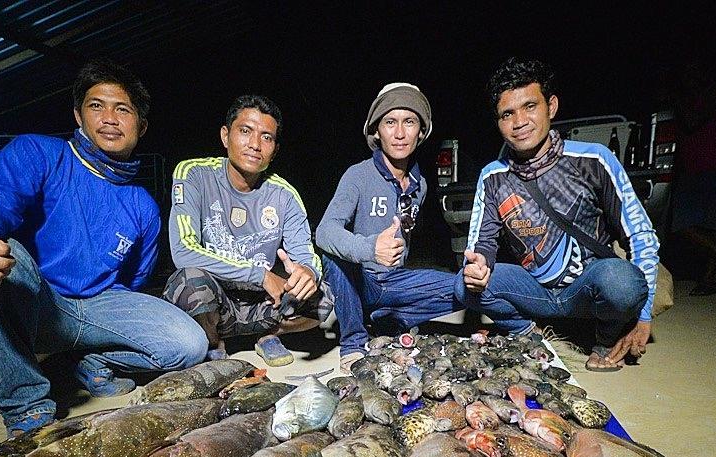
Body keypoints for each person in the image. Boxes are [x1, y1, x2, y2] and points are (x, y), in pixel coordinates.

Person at [0, 59, 208, 436]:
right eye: (97, 106)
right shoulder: (39, 153)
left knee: (189, 344)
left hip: (99, 305)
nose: (110, 118)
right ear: (78, 116)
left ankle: (89, 360)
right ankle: (26, 404)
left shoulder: (143, 205)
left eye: (123, 109)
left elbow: (133, 281)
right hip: (38, 303)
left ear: (141, 126)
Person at [457, 58, 660, 372]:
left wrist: (643, 317)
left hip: (588, 292)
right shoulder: (492, 177)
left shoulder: (593, 159)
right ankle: (530, 333)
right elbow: (480, 248)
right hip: (534, 290)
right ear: (498, 122)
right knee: (464, 285)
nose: (519, 121)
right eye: (507, 114)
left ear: (551, 106)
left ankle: (604, 341)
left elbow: (641, 238)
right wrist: (478, 267)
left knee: (623, 282)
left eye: (530, 106)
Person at [163, 95, 332, 367]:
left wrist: (308, 273)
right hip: (215, 301)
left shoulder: (284, 194)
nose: (255, 144)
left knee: (322, 295)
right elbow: (183, 251)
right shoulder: (194, 173)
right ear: (225, 135)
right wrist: (260, 275)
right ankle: (212, 344)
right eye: (245, 131)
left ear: (274, 149)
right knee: (189, 281)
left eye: (267, 137)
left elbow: (306, 254)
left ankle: (269, 336)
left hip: (264, 306)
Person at [315, 83, 460, 372]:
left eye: (409, 122)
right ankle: (354, 342)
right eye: (390, 122)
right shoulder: (357, 175)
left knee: (465, 285)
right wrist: (370, 248)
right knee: (333, 256)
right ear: (376, 132)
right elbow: (324, 231)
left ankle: (390, 319)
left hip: (395, 282)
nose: (400, 132)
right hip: (361, 282)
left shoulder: (421, 185)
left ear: (421, 131)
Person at [669, 56, 716, 296]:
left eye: (695, 70)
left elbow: (693, 121)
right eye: (686, 71)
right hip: (693, 168)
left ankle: (709, 277)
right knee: (681, 223)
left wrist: (674, 98)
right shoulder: (690, 97)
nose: (690, 76)